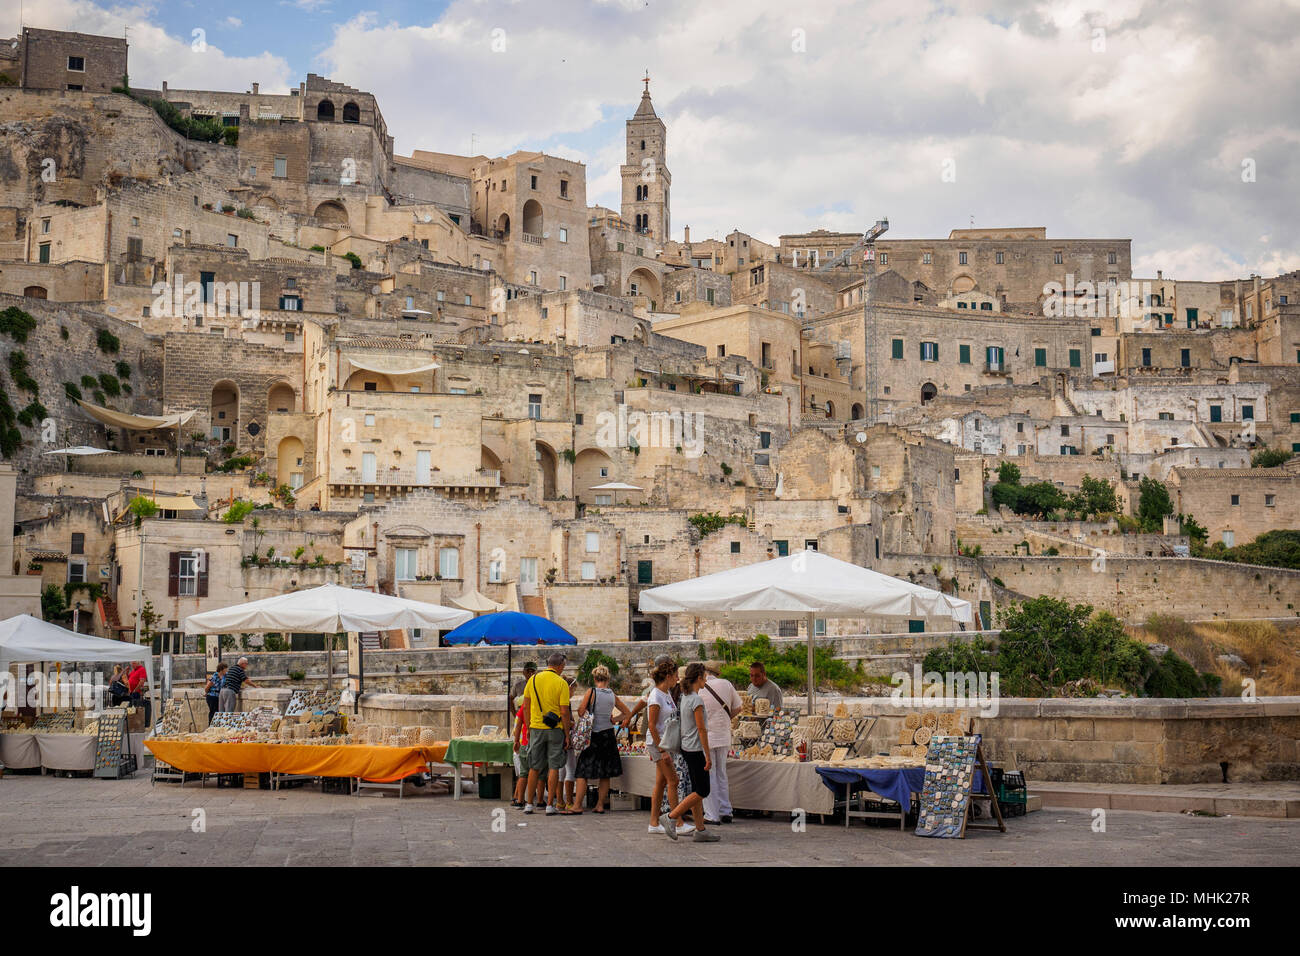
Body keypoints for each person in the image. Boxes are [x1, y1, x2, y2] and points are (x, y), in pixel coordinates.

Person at [662, 663, 719, 843]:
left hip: (686, 748)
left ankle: (700, 829)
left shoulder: (685, 697)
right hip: (695, 749)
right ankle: (671, 817)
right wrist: (708, 756)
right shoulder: (696, 700)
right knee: (703, 790)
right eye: (704, 676)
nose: (706, 680)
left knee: (696, 789)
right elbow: (701, 729)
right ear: (698, 678)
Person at [570, 665, 632, 814]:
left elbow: (580, 711)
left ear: (594, 678)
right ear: (608, 679)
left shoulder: (591, 692)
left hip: (593, 735)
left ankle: (577, 805)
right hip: (608, 735)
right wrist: (613, 719)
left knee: (582, 771)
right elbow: (627, 713)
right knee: (605, 773)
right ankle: (600, 805)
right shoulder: (612, 694)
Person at [645, 658, 693, 836]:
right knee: (673, 781)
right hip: (658, 744)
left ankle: (654, 822)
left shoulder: (665, 694)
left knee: (661, 782)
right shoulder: (656, 696)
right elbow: (651, 724)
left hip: (664, 743)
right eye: (675, 676)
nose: (677, 680)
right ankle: (677, 822)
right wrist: (662, 750)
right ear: (667, 676)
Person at [522, 652, 571, 816]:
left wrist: (528, 727)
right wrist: (567, 734)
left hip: (536, 728)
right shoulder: (561, 683)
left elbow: (526, 707)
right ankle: (550, 805)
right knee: (553, 766)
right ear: (560, 665)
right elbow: (564, 712)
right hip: (555, 729)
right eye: (563, 666)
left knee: (534, 767)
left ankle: (529, 803)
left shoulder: (533, 680)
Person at [699, 660, 742, 825]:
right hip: (723, 734)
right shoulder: (727, 684)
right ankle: (726, 810)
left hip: (707, 737)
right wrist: (726, 718)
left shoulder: (700, 688)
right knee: (721, 774)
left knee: (709, 774)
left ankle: (711, 813)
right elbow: (738, 707)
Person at [511, 695, 530, 808]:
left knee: (522, 774)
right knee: (527, 774)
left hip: (521, 746)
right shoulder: (526, 711)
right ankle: (519, 798)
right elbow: (518, 729)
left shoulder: (519, 715)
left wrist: (516, 741)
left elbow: (515, 730)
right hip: (524, 746)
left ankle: (517, 798)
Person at [126, 660, 151, 725]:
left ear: (138, 663)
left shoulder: (141, 669)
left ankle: (137, 723)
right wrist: (127, 672)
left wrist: (135, 690)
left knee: (136, 708)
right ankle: (133, 723)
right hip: (131, 692)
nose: (132, 665)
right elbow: (128, 678)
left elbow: (142, 681)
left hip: (136, 692)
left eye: (133, 663)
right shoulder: (134, 670)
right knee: (131, 708)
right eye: (131, 663)